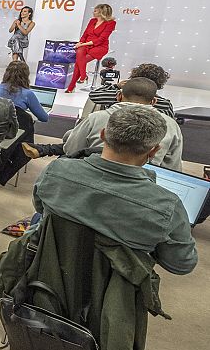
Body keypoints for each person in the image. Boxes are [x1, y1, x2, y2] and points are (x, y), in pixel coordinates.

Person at [33, 106, 196, 276]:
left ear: (103, 135)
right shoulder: (167, 206)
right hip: (115, 295)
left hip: (46, 277)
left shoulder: (55, 171)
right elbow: (181, 264)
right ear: (154, 150)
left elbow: (40, 208)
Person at [23, 78, 183, 170]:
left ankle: (44, 149)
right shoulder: (171, 126)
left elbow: (71, 150)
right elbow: (173, 167)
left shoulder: (96, 118)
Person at [89, 62, 175, 118]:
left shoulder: (119, 96)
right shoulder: (165, 104)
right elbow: (171, 126)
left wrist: (116, 86)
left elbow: (94, 95)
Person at [66, 4, 116, 93]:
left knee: (80, 62)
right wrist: (80, 42)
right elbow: (85, 34)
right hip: (86, 44)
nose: (93, 12)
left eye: (95, 11)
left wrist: (82, 44)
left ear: (102, 12)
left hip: (99, 46)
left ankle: (72, 86)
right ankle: (83, 76)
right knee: (79, 54)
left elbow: (101, 39)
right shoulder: (92, 21)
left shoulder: (111, 23)